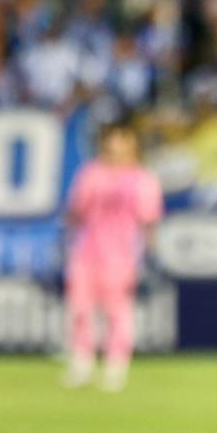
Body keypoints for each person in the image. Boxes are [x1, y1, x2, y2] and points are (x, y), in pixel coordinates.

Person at [63, 120, 163, 391]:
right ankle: (81, 363)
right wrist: (66, 243)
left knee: (118, 313)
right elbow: (75, 211)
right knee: (80, 311)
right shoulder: (91, 173)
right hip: (86, 252)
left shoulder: (143, 178)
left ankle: (115, 366)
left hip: (122, 256)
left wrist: (151, 254)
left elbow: (149, 220)